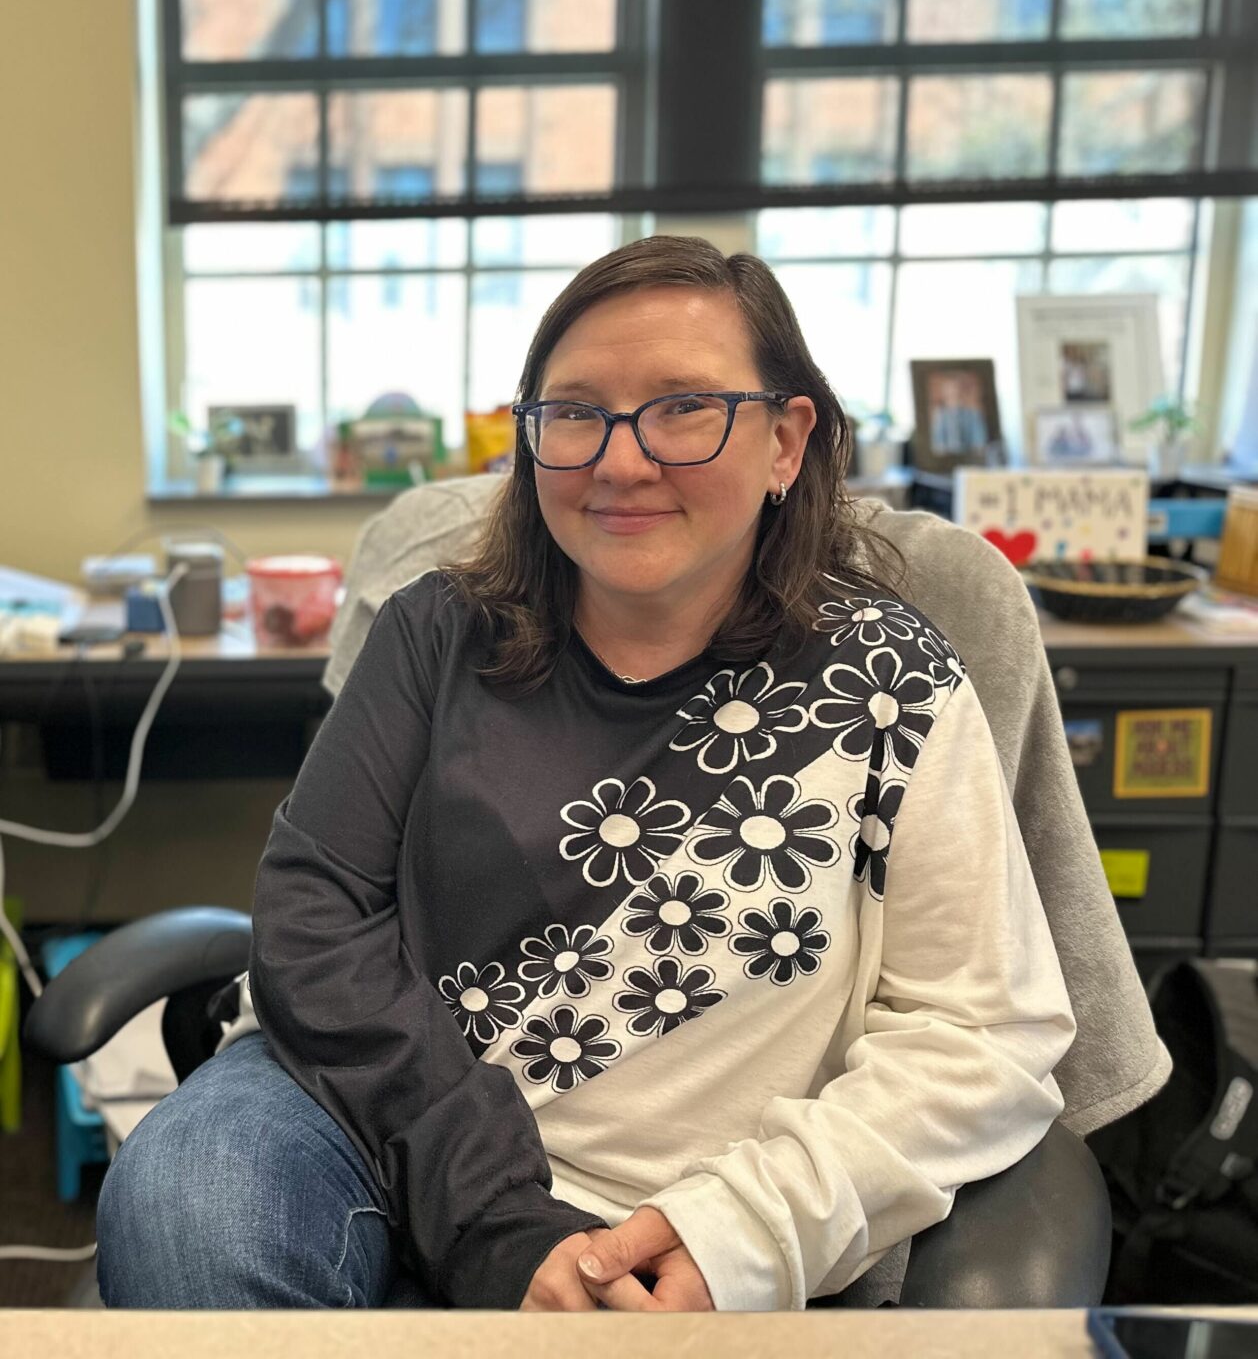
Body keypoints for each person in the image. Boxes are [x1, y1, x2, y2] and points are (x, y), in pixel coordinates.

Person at [95, 236, 1075, 1312]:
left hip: (699, 1192)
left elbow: (982, 1028)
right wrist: (497, 1221)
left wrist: (740, 1230)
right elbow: (312, 915)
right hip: (371, 1112)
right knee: (187, 1206)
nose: (619, 461)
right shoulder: (437, 630)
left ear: (787, 440)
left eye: (683, 407)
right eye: (573, 413)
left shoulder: (888, 684)